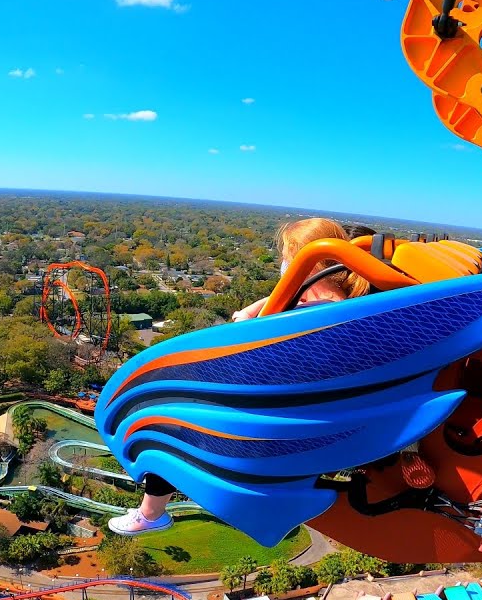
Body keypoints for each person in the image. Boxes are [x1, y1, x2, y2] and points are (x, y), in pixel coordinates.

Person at [108, 218, 369, 536]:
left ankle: (152, 513)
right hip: (285, 400)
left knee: (174, 423)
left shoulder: (321, 313)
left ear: (310, 261)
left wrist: (246, 326)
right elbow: (281, 298)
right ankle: (155, 507)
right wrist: (251, 312)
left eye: (290, 259)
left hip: (280, 409)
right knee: (181, 408)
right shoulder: (327, 299)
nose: (285, 266)